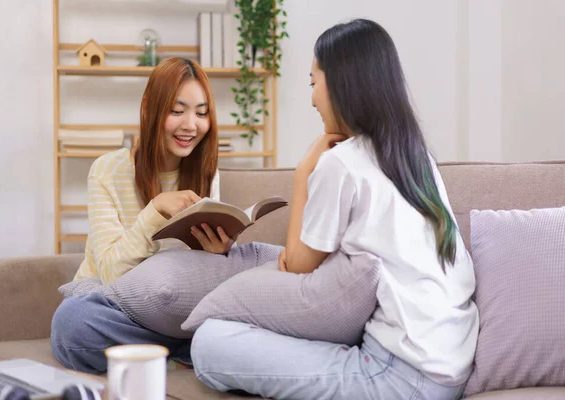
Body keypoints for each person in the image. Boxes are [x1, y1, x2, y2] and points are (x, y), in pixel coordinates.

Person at [190, 19, 479, 400]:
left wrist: (302, 172)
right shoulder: (415, 158)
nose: (312, 98)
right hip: (449, 367)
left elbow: (297, 265)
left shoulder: (341, 163)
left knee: (208, 343)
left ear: (342, 82)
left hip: (398, 376)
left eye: (313, 82)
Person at [51, 57, 236, 374]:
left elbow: (198, 281)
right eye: (177, 111)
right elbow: (109, 273)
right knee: (71, 323)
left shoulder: (207, 173)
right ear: (150, 108)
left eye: (201, 113)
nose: (190, 124)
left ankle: (159, 356)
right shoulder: (106, 171)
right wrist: (155, 211)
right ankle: (185, 355)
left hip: (176, 313)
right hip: (117, 308)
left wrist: (217, 256)